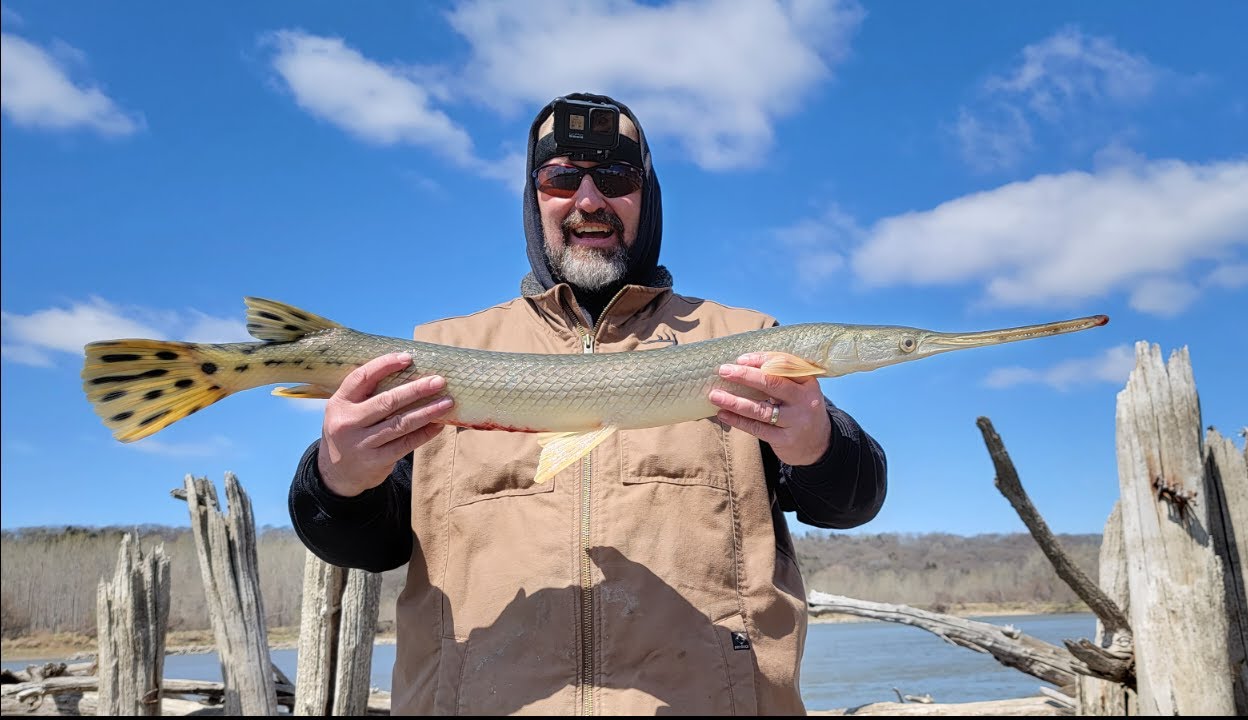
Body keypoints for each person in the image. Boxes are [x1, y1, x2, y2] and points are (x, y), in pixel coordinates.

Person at [289, 92, 887, 715]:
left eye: (617, 177)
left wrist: (821, 445)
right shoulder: (446, 352)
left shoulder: (745, 344)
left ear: (648, 199)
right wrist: (338, 478)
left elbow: (852, 501)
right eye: (561, 178)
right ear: (534, 199)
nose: (590, 200)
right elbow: (367, 546)